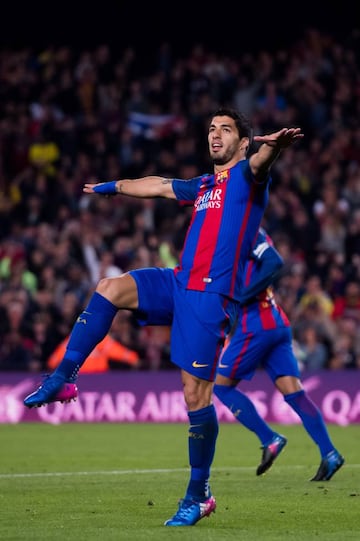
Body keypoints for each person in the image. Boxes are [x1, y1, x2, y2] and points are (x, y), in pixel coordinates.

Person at [24, 108, 303, 526]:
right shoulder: (204, 185)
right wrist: (114, 186)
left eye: (226, 129)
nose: (215, 135)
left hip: (210, 297)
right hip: (178, 282)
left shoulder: (248, 176)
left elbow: (262, 162)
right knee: (109, 288)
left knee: (195, 397)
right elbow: (156, 184)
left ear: (244, 143)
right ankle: (63, 377)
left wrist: (274, 149)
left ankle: (198, 495)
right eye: (211, 128)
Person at [213, 230, 345, 482]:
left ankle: (269, 438)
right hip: (277, 322)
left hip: (255, 326)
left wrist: (239, 297)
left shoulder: (240, 233)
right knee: (294, 393)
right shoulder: (253, 233)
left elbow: (274, 262)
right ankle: (330, 453)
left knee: (222, 387)